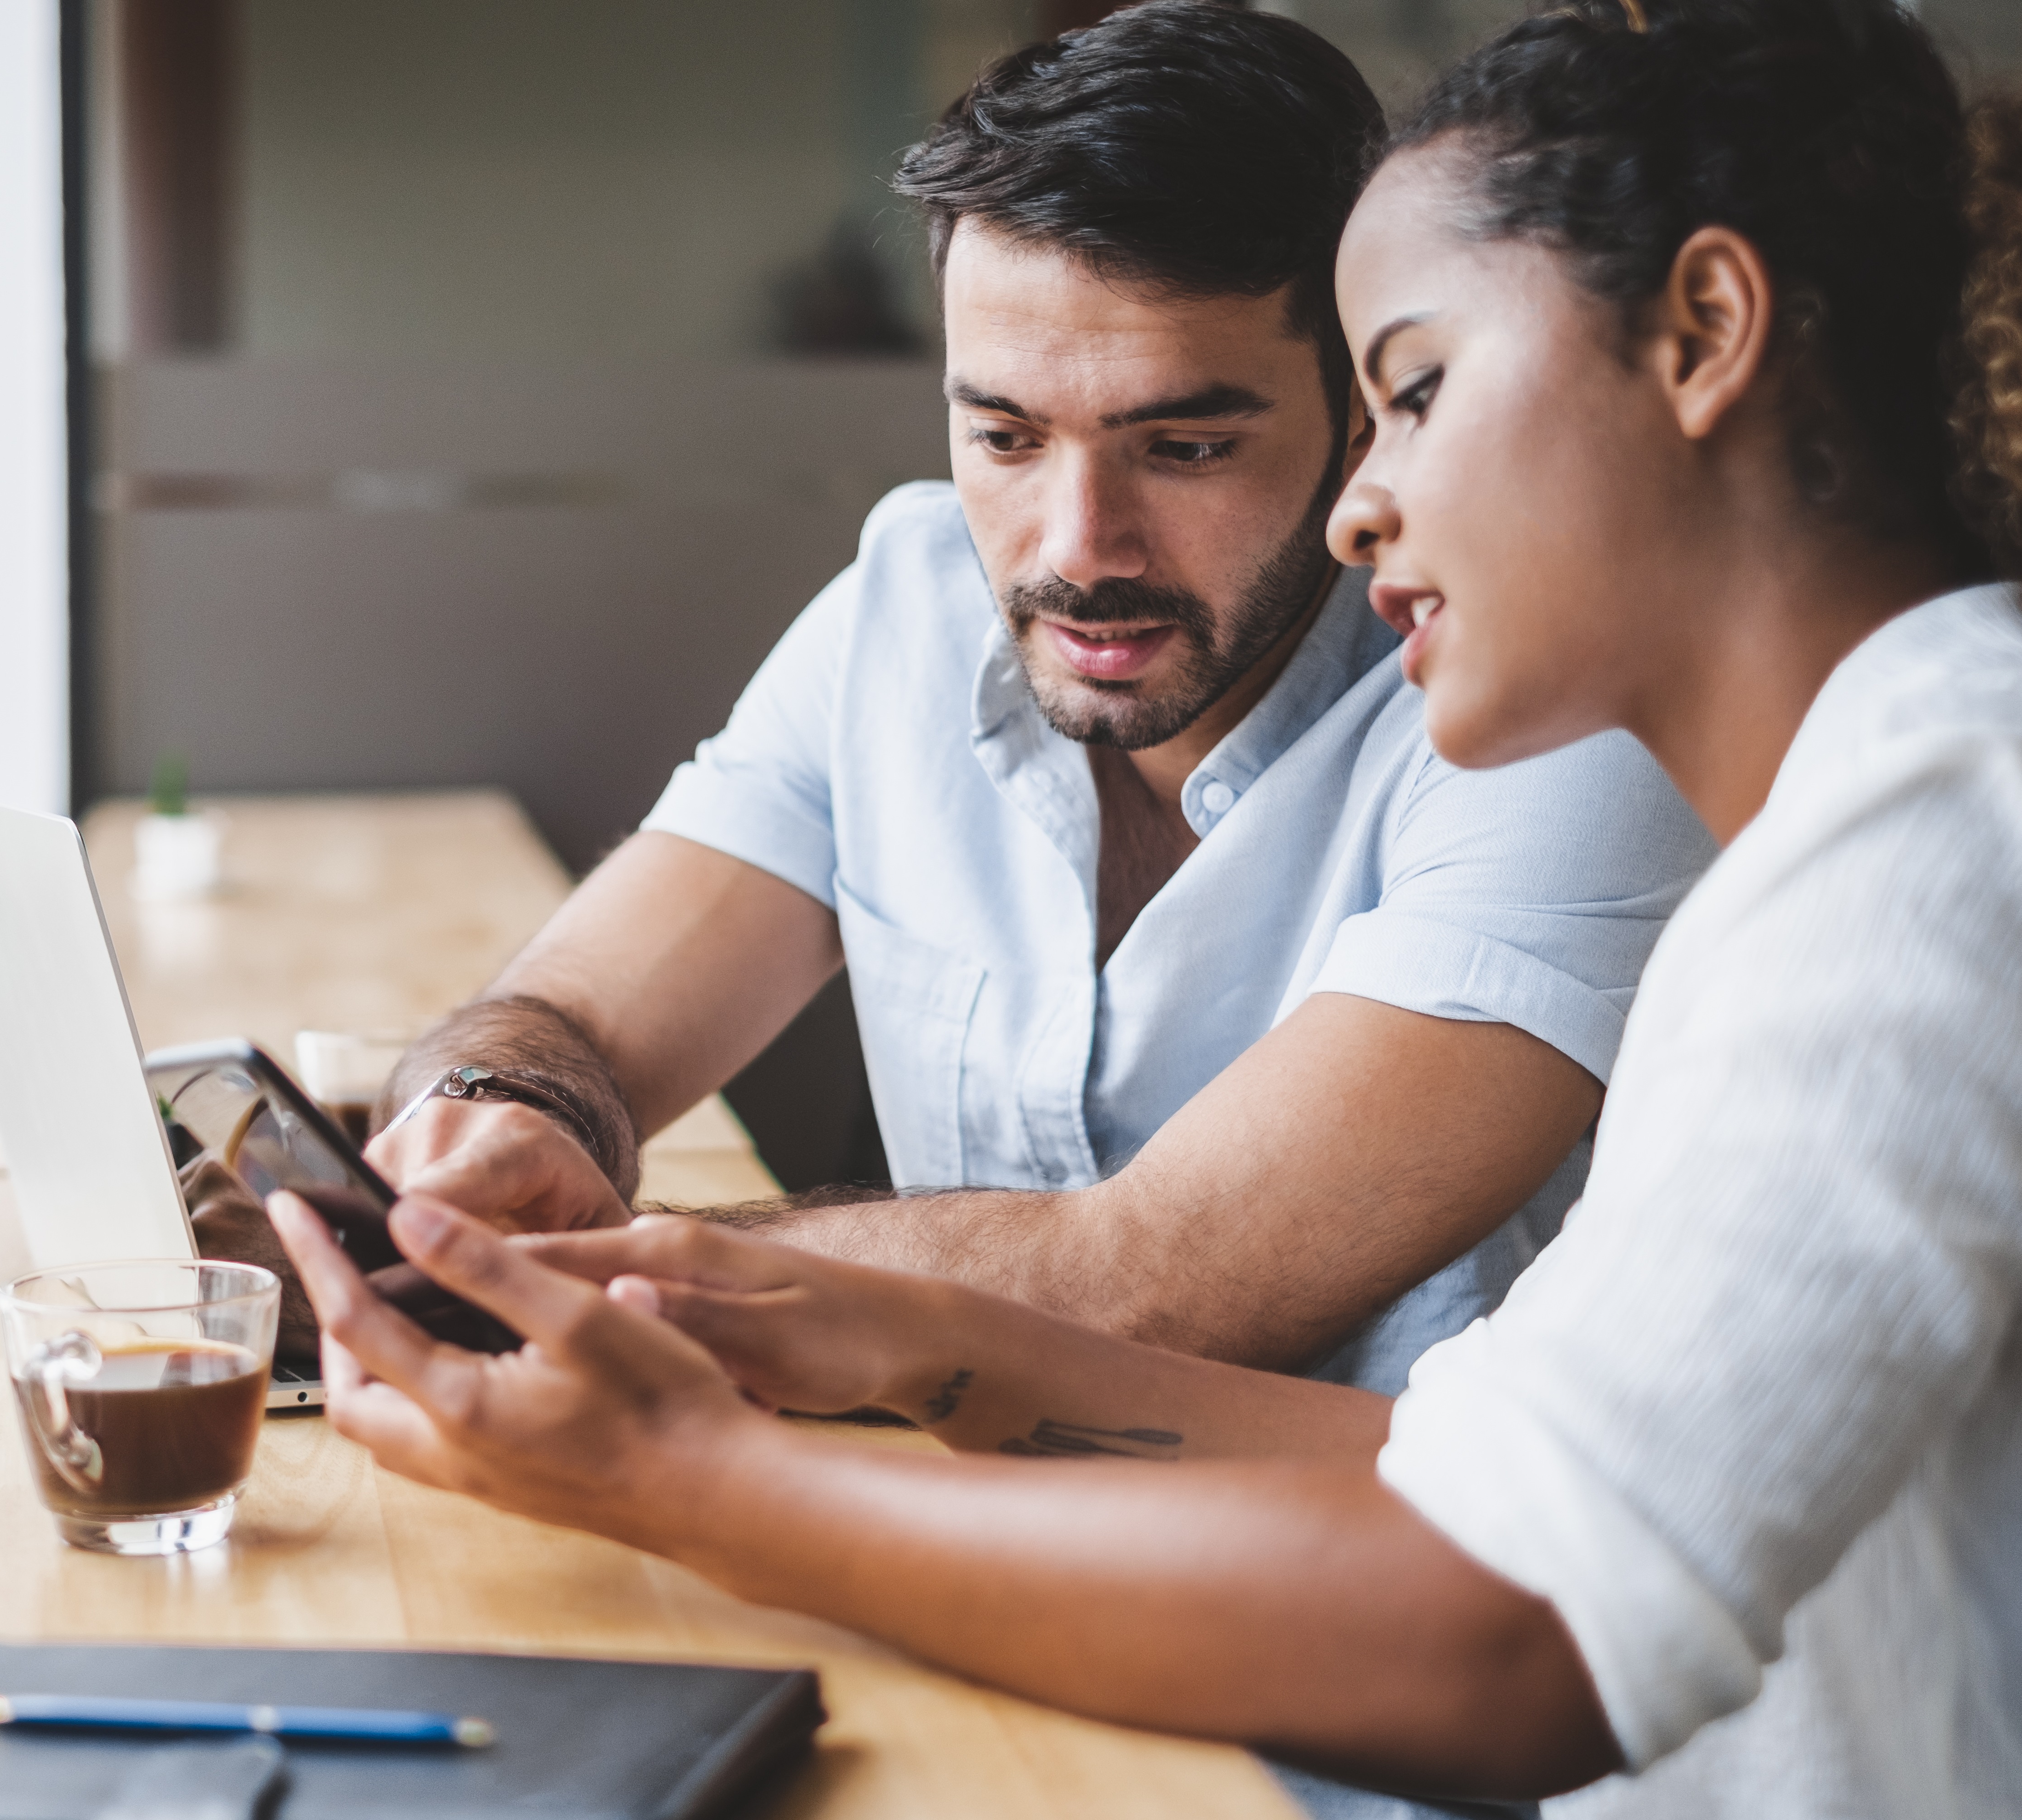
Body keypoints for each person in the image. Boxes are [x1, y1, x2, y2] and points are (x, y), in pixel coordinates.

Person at [271, 1, 2022, 1815]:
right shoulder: (1857, 819)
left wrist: (687, 1476)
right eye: (1006, 435)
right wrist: (902, 1335)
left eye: (1412, 391)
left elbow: (1519, 1639)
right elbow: (1469, 1462)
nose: (1371, 502)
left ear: (1705, 338)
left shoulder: (1940, 828)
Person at [364, 1, 1711, 1399]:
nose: (1076, 547)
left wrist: (551, 1266)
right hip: (942, 1531)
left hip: (1371, 1593)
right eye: (1004, 436)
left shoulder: (1560, 714)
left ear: (1365, 410)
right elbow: (573, 1014)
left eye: (1184, 446)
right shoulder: (907, 605)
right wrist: (494, 1126)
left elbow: (1155, 1278)